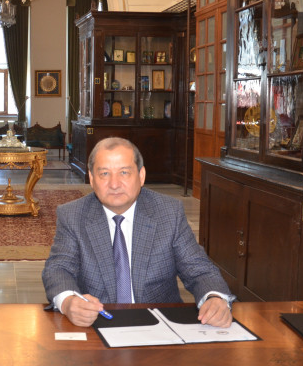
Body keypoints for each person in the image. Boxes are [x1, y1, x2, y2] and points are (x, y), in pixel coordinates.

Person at [42, 137, 234, 327]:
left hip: (160, 326)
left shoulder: (168, 213)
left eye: (124, 172)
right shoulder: (73, 215)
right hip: (97, 323)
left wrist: (215, 298)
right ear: (92, 179)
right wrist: (68, 302)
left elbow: (199, 269)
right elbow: (58, 268)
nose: (114, 184)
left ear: (141, 176)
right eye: (104, 174)